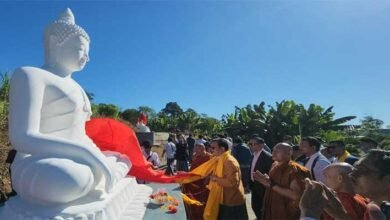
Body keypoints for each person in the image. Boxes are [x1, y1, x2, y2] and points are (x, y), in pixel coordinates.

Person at [7, 8, 131, 205]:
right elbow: (22, 137)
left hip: (75, 157)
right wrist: (86, 154)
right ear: (54, 43)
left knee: (123, 159)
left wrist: (96, 156)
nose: (86, 58)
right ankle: (100, 177)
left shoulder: (78, 88)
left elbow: (80, 134)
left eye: (88, 53)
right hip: (39, 160)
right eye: (81, 49)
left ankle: (102, 175)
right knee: (69, 179)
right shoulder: (30, 75)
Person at [299, 149, 390, 220]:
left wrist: (308, 215)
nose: (352, 175)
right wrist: (340, 215)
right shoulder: (376, 206)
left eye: (361, 170)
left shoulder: (375, 210)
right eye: (355, 169)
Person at [254, 143, 311, 220]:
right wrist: (266, 181)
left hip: (287, 212)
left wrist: (270, 184)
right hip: (273, 208)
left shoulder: (295, 169)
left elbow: (295, 195)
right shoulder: (274, 165)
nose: (273, 153)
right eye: (273, 150)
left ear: (289, 153)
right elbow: (273, 186)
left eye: (278, 151)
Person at [209, 138, 248, 220]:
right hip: (224, 198)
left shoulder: (229, 161)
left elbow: (232, 182)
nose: (210, 149)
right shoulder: (219, 159)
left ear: (222, 149)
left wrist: (216, 179)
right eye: (210, 147)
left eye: (213, 148)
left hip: (232, 200)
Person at [181, 141, 212, 220]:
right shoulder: (196, 156)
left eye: (197, 149)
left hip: (205, 182)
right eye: (195, 149)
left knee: (204, 201)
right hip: (195, 180)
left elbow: (211, 170)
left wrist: (207, 179)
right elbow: (193, 168)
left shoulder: (210, 157)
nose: (195, 151)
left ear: (202, 148)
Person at [248, 137, 273, 219]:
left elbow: (270, 172)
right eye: (250, 144)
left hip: (263, 187)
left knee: (263, 207)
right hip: (254, 185)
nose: (251, 146)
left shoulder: (267, 157)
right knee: (255, 206)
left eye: (254, 144)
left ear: (261, 145)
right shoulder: (253, 155)